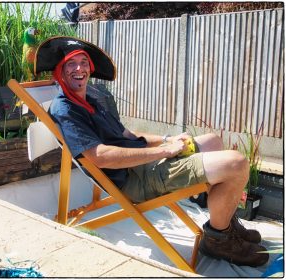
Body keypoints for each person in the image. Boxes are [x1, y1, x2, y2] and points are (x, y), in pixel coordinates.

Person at [34, 36, 269, 267]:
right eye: (71, 64)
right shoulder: (66, 109)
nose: (79, 69)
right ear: (61, 72)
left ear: (90, 68)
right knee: (236, 163)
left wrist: (168, 139)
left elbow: (127, 136)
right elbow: (100, 156)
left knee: (213, 141)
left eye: (84, 62)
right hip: (134, 178)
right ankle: (219, 238)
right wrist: (164, 152)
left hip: (143, 164)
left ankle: (225, 222)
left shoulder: (91, 99)